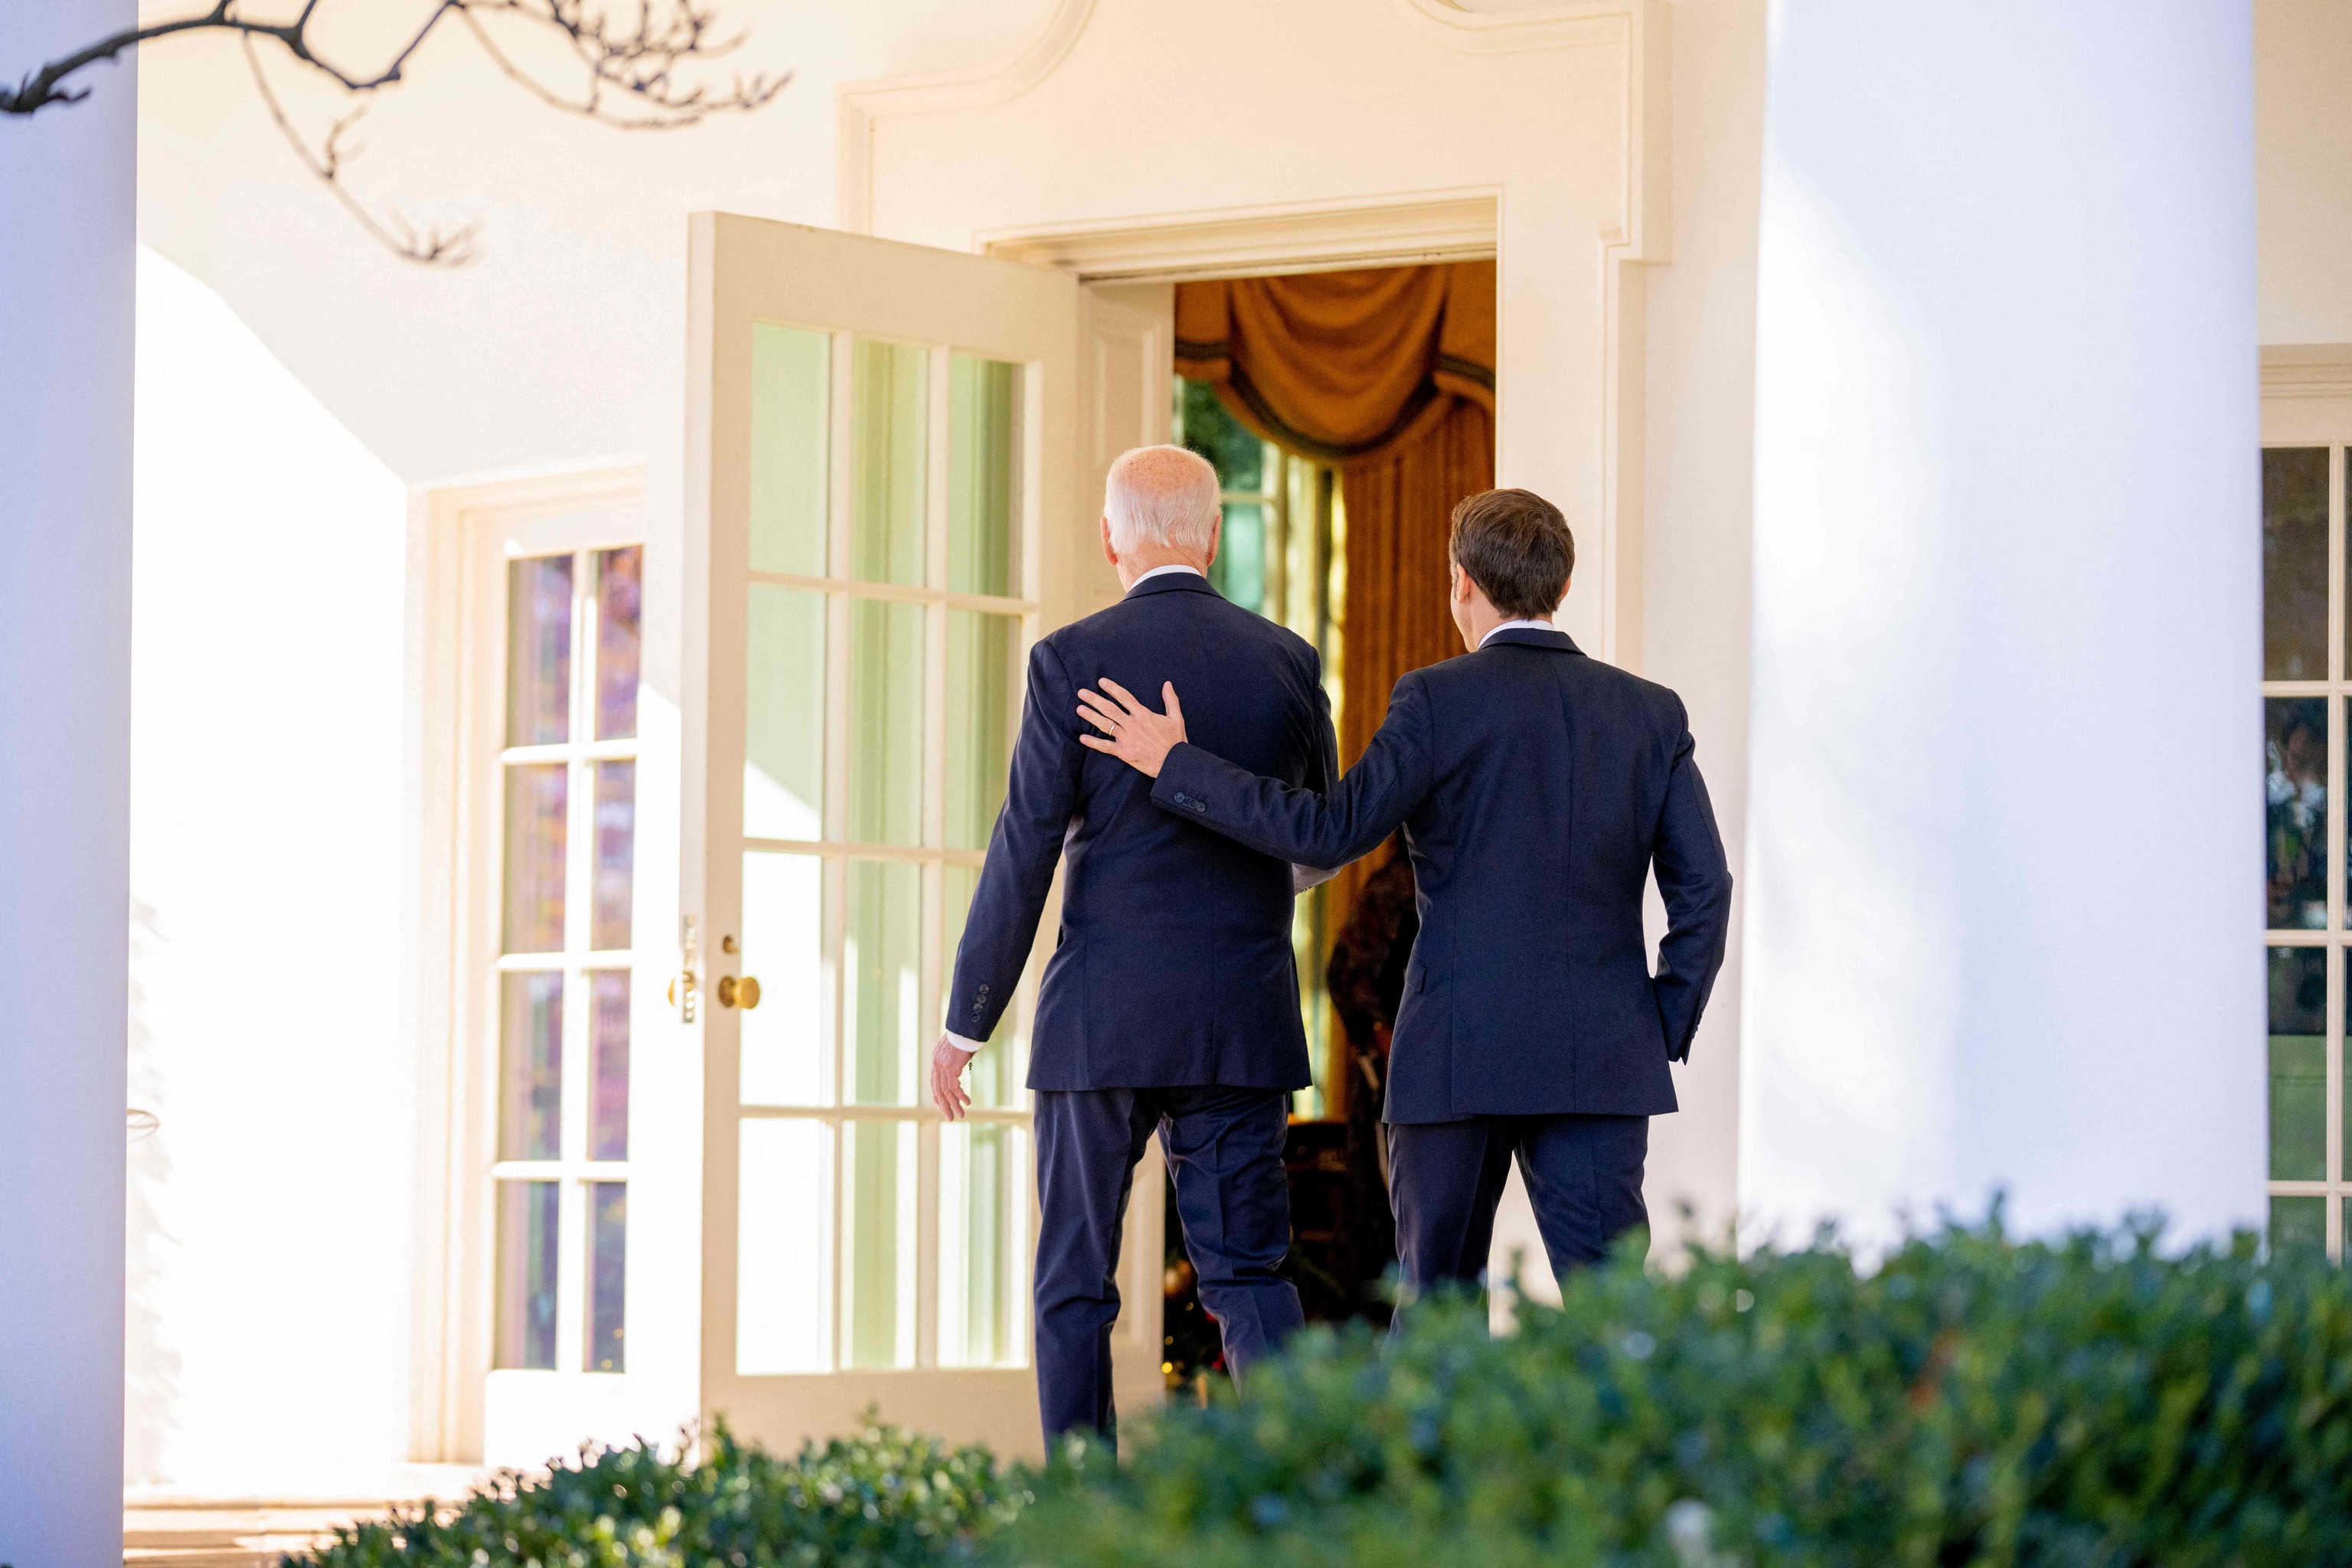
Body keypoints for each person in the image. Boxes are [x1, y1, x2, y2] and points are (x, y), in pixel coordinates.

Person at [1073, 487, 1733, 1300]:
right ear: (1563, 587)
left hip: (1453, 1057)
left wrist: (1178, 765)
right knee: (1620, 1323)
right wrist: (1653, 1020)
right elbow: (1705, 889)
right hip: (1600, 1058)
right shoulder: (1649, 714)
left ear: (1460, 581)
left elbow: (1326, 832)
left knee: (1434, 1319)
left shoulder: (1436, 699)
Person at [932, 444, 1332, 1446]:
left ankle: (1080, 1505)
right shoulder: (1287, 661)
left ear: (1111, 537)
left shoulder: (1068, 659)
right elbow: (1317, 838)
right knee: (1248, 1274)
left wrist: (964, 1022)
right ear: (1207, 536)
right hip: (1240, 1018)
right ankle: (1293, 1492)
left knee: (1075, 1275)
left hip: (1100, 1020)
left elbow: (1025, 844)